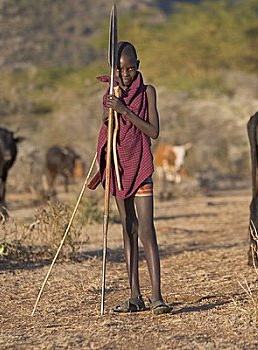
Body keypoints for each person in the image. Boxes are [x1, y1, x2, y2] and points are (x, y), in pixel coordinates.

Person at [87, 41, 172, 315]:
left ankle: (157, 297)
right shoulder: (109, 94)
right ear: (113, 70)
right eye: (120, 69)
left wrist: (124, 110)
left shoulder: (148, 92)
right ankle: (134, 296)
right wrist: (110, 109)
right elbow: (105, 122)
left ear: (138, 66)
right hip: (118, 168)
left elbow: (154, 131)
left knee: (147, 229)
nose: (126, 74)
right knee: (127, 229)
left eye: (131, 68)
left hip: (141, 167)